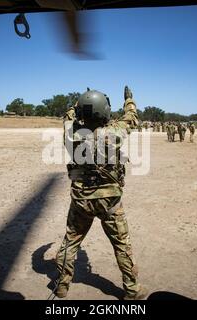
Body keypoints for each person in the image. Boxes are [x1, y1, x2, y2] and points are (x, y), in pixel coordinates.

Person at [55, 86, 148, 300]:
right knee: (122, 245)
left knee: (70, 242)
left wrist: (75, 106)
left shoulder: (71, 133)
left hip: (81, 200)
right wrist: (129, 100)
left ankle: (61, 285)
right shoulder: (114, 132)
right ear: (104, 111)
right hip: (110, 201)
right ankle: (132, 290)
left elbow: (68, 117)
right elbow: (131, 118)